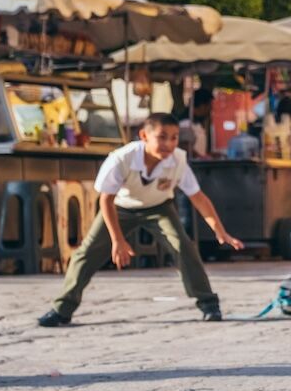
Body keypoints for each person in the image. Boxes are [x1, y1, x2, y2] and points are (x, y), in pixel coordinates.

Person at [37, 113, 245, 326]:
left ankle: (209, 304)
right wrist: (117, 240)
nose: (168, 144)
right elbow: (106, 201)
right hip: (121, 207)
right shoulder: (121, 158)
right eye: (162, 137)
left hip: (160, 207)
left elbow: (198, 198)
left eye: (174, 138)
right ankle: (62, 309)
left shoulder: (178, 160)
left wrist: (219, 230)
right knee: (87, 253)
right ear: (144, 135)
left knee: (183, 246)